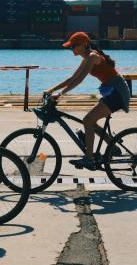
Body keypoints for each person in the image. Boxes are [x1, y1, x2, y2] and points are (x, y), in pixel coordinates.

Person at [44, 31, 130, 169]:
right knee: (90, 122)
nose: (72, 49)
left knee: (88, 120)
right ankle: (112, 145)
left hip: (118, 92)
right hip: (111, 91)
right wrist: (51, 90)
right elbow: (72, 78)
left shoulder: (92, 57)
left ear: (84, 44)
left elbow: (79, 80)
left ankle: (89, 159)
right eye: (71, 47)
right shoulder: (87, 58)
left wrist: (60, 95)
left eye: (74, 46)